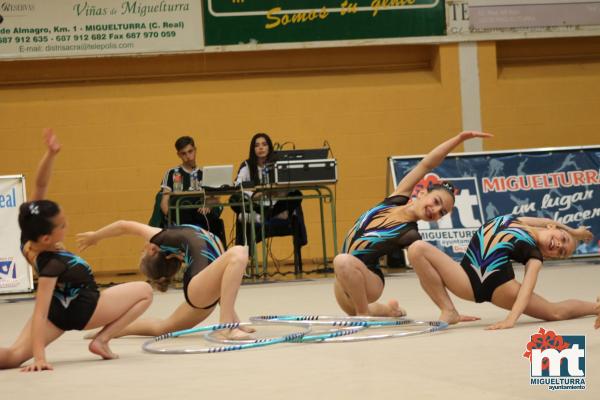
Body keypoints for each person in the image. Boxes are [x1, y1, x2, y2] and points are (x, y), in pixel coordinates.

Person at [0, 129, 153, 372]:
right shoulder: (52, 265)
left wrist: (50, 154)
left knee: (12, 356)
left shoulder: (29, 239)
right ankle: (101, 340)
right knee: (145, 291)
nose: (67, 225)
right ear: (47, 237)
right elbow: (39, 312)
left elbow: (40, 185)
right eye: (62, 225)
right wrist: (40, 357)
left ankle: (99, 341)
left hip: (58, 312)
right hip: (83, 308)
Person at [335, 131, 492, 317]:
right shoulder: (396, 198)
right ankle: (391, 311)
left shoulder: (410, 235)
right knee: (345, 274)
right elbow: (427, 164)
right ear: (423, 193)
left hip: (368, 279)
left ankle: (363, 316)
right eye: (436, 201)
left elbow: (427, 275)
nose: (435, 210)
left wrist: (448, 308)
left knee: (342, 260)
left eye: (441, 212)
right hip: (344, 279)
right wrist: (458, 139)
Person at [407, 215, 600, 329]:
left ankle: (595, 307)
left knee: (554, 312)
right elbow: (547, 220)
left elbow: (526, 288)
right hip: (464, 279)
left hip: (499, 288)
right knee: (417, 248)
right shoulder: (514, 220)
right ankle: (449, 311)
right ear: (552, 227)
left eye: (561, 252)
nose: (559, 245)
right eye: (563, 239)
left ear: (551, 257)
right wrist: (574, 232)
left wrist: (511, 319)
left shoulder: (533, 254)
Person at [76, 221, 250, 339]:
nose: (143, 247)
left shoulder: (172, 239)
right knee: (239, 252)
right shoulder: (160, 237)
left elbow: (220, 279)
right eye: (141, 252)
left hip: (204, 292)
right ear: (152, 250)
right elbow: (123, 225)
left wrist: (236, 318)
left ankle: (115, 330)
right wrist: (95, 236)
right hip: (197, 287)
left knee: (163, 328)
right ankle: (226, 326)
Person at [233, 133, 307, 267]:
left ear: (269, 147)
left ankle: (267, 216)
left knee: (297, 194)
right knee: (234, 200)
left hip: (276, 206)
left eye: (264, 144)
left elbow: (291, 187)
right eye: (257, 145)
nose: (261, 148)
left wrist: (279, 190)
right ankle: (260, 216)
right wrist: (255, 195)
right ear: (253, 149)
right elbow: (238, 186)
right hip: (256, 206)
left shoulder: (279, 163)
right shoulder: (247, 165)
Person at [160, 136, 226, 245]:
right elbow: (164, 202)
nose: (188, 156)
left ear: (195, 150)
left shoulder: (205, 174)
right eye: (183, 153)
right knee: (185, 213)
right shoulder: (172, 173)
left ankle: (219, 254)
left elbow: (215, 199)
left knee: (215, 221)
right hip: (181, 214)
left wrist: (208, 205)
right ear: (179, 155)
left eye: (190, 151)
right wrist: (172, 219)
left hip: (200, 215)